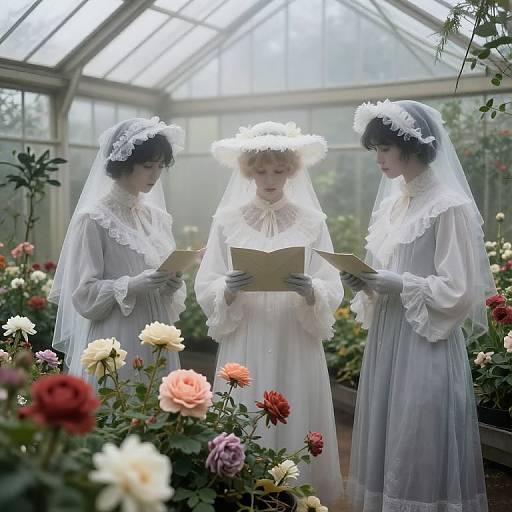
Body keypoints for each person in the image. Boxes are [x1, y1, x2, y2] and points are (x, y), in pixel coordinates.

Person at [343, 100, 495, 512]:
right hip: (388, 338)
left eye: (385, 148)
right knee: (389, 431)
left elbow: (460, 290)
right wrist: (366, 282)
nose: (378, 158)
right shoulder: (394, 205)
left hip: (425, 340)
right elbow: (386, 273)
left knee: (418, 433)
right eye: (374, 148)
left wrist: (400, 283)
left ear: (412, 145)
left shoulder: (449, 207)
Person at [195, 121, 343, 506]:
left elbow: (333, 282)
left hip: (294, 335)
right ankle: (244, 495)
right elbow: (205, 280)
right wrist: (226, 287)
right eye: (260, 171)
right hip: (247, 335)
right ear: (247, 172)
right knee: (247, 403)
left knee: (293, 411)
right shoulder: (227, 221)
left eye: (278, 170)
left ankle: (298, 496)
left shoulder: (312, 221)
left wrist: (313, 290)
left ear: (292, 170)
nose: (269, 178)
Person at [50, 117, 186, 381]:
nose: (155, 174)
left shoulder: (156, 218)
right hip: (116, 334)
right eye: (148, 166)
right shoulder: (93, 219)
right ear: (123, 163)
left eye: (160, 166)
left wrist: (170, 284)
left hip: (158, 332)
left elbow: (165, 282)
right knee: (120, 401)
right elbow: (83, 294)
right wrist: (131, 285)